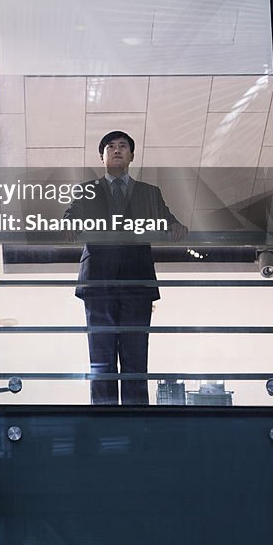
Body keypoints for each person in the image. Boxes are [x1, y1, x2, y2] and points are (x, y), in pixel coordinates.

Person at [63, 130, 187, 405]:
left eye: (122, 146)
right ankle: (104, 416)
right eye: (110, 147)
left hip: (137, 280)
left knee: (135, 355)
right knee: (101, 355)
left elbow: (167, 220)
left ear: (131, 155)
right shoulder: (88, 189)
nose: (117, 150)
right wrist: (70, 223)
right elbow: (71, 214)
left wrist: (176, 225)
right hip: (98, 280)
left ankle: (136, 416)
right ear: (102, 156)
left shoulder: (148, 192)